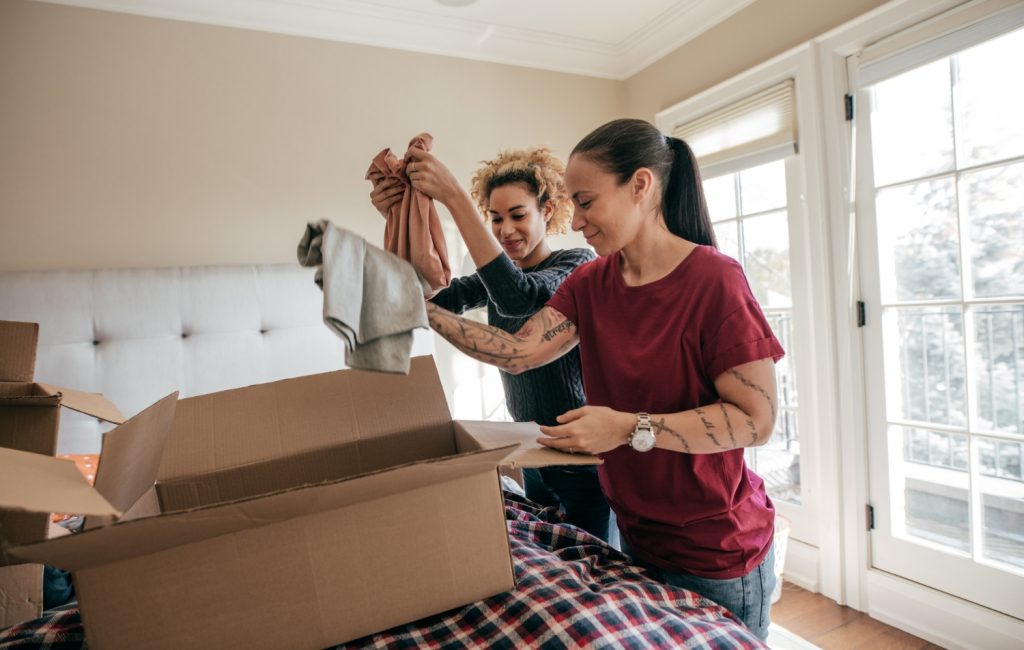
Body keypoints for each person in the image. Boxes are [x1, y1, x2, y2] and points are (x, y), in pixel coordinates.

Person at [422, 119, 783, 641]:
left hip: (716, 554)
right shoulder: (589, 281)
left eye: (586, 202)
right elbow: (520, 352)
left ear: (640, 186)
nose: (577, 220)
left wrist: (628, 428)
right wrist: (422, 312)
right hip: (637, 540)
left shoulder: (715, 280)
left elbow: (756, 420)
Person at [369, 145, 614, 542]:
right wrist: (400, 218)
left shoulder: (576, 264)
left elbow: (519, 295)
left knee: (601, 567)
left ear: (547, 211)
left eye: (518, 215)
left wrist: (453, 198)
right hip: (533, 453)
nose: (505, 230)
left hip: (582, 461)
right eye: (495, 218)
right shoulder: (497, 280)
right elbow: (425, 301)